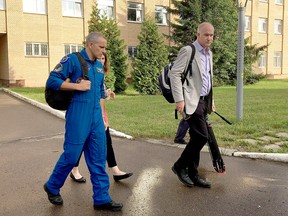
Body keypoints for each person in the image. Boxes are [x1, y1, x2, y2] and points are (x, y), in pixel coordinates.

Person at [43, 32, 123, 211]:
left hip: (95, 116)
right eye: (101, 47)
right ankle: (52, 186)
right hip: (78, 113)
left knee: (98, 157)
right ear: (90, 44)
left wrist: (103, 112)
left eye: (105, 47)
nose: (104, 51)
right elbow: (52, 80)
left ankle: (102, 198)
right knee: (71, 155)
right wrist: (76, 86)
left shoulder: (99, 66)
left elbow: (99, 90)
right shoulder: (72, 59)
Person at [70, 52, 133, 183]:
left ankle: (115, 170)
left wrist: (106, 94)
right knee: (81, 144)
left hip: (100, 114)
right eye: (99, 58)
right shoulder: (89, 74)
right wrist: (101, 118)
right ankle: (74, 170)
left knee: (107, 141)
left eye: (103, 58)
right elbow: (93, 97)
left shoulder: (100, 75)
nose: (101, 60)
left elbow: (99, 96)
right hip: (90, 116)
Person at [170, 22, 216, 188]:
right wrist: (179, 99)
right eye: (206, 34)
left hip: (203, 101)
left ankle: (193, 174)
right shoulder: (189, 51)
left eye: (211, 35)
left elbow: (207, 79)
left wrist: (211, 101)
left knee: (196, 137)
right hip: (190, 100)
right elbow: (175, 74)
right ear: (198, 35)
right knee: (202, 136)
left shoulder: (209, 54)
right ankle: (179, 166)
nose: (209, 38)